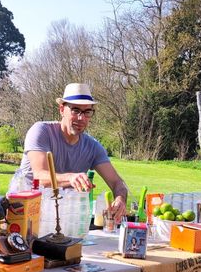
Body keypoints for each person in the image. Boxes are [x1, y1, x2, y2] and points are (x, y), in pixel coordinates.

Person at [19, 83, 129, 221]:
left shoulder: (93, 147)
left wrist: (120, 199)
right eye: (75, 110)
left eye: (87, 112)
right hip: (23, 214)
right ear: (61, 109)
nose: (81, 118)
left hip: (62, 219)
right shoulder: (41, 131)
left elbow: (117, 183)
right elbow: (40, 177)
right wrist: (70, 178)